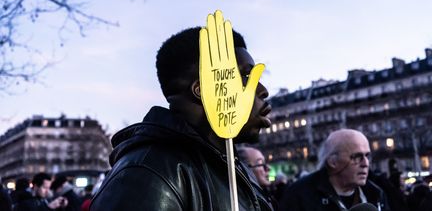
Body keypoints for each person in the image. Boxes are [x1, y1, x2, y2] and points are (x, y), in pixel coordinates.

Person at [90, 26, 273, 210]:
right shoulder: (147, 174)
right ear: (202, 90)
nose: (263, 91)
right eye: (246, 76)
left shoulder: (237, 170)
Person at [278, 129, 389, 211]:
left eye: (367, 156)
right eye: (357, 157)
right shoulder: (299, 195)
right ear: (332, 162)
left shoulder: (376, 194)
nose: (365, 164)